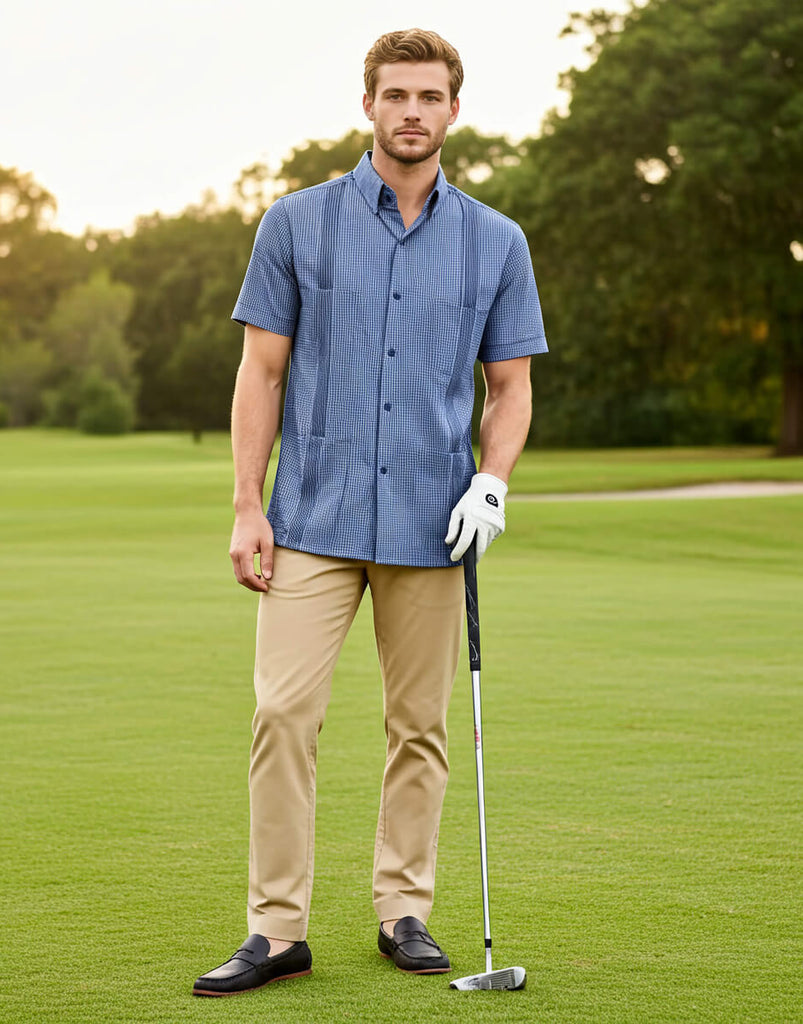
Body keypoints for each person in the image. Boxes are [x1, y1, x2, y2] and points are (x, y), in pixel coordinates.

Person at [192, 27, 547, 997]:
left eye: (429, 96)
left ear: (453, 110)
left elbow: (509, 388)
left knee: (420, 726)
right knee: (282, 714)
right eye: (396, 95)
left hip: (432, 524)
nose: (412, 112)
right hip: (311, 516)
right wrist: (245, 503)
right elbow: (260, 373)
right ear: (368, 106)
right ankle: (276, 930)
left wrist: (492, 480)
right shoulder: (295, 224)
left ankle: (403, 911)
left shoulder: (496, 241)